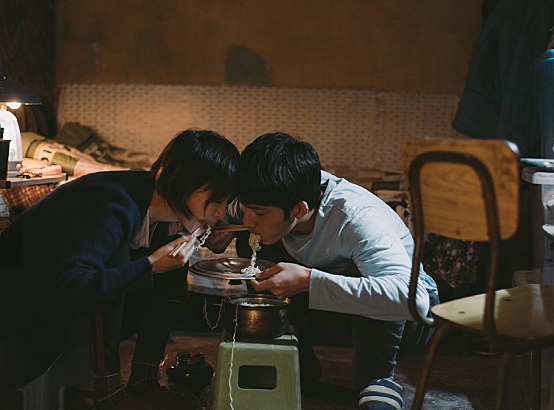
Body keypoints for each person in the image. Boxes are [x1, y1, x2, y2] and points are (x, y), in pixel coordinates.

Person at [0, 129, 240, 410]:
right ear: (184, 181)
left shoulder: (152, 201)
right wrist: (149, 266)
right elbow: (72, 286)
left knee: (174, 256)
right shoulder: (114, 202)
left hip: (56, 300)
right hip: (20, 313)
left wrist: (189, 241)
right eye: (217, 200)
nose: (221, 213)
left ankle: (144, 378)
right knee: (122, 256)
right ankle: (108, 391)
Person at [208, 132, 439, 410]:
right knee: (255, 241)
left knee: (365, 274)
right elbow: (236, 216)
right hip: (337, 317)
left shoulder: (356, 218)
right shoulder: (271, 194)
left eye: (258, 212)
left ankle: (377, 379)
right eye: (245, 208)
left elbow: (412, 299)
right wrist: (220, 228)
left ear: (299, 209)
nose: (248, 219)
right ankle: (297, 362)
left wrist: (309, 281)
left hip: (411, 321)